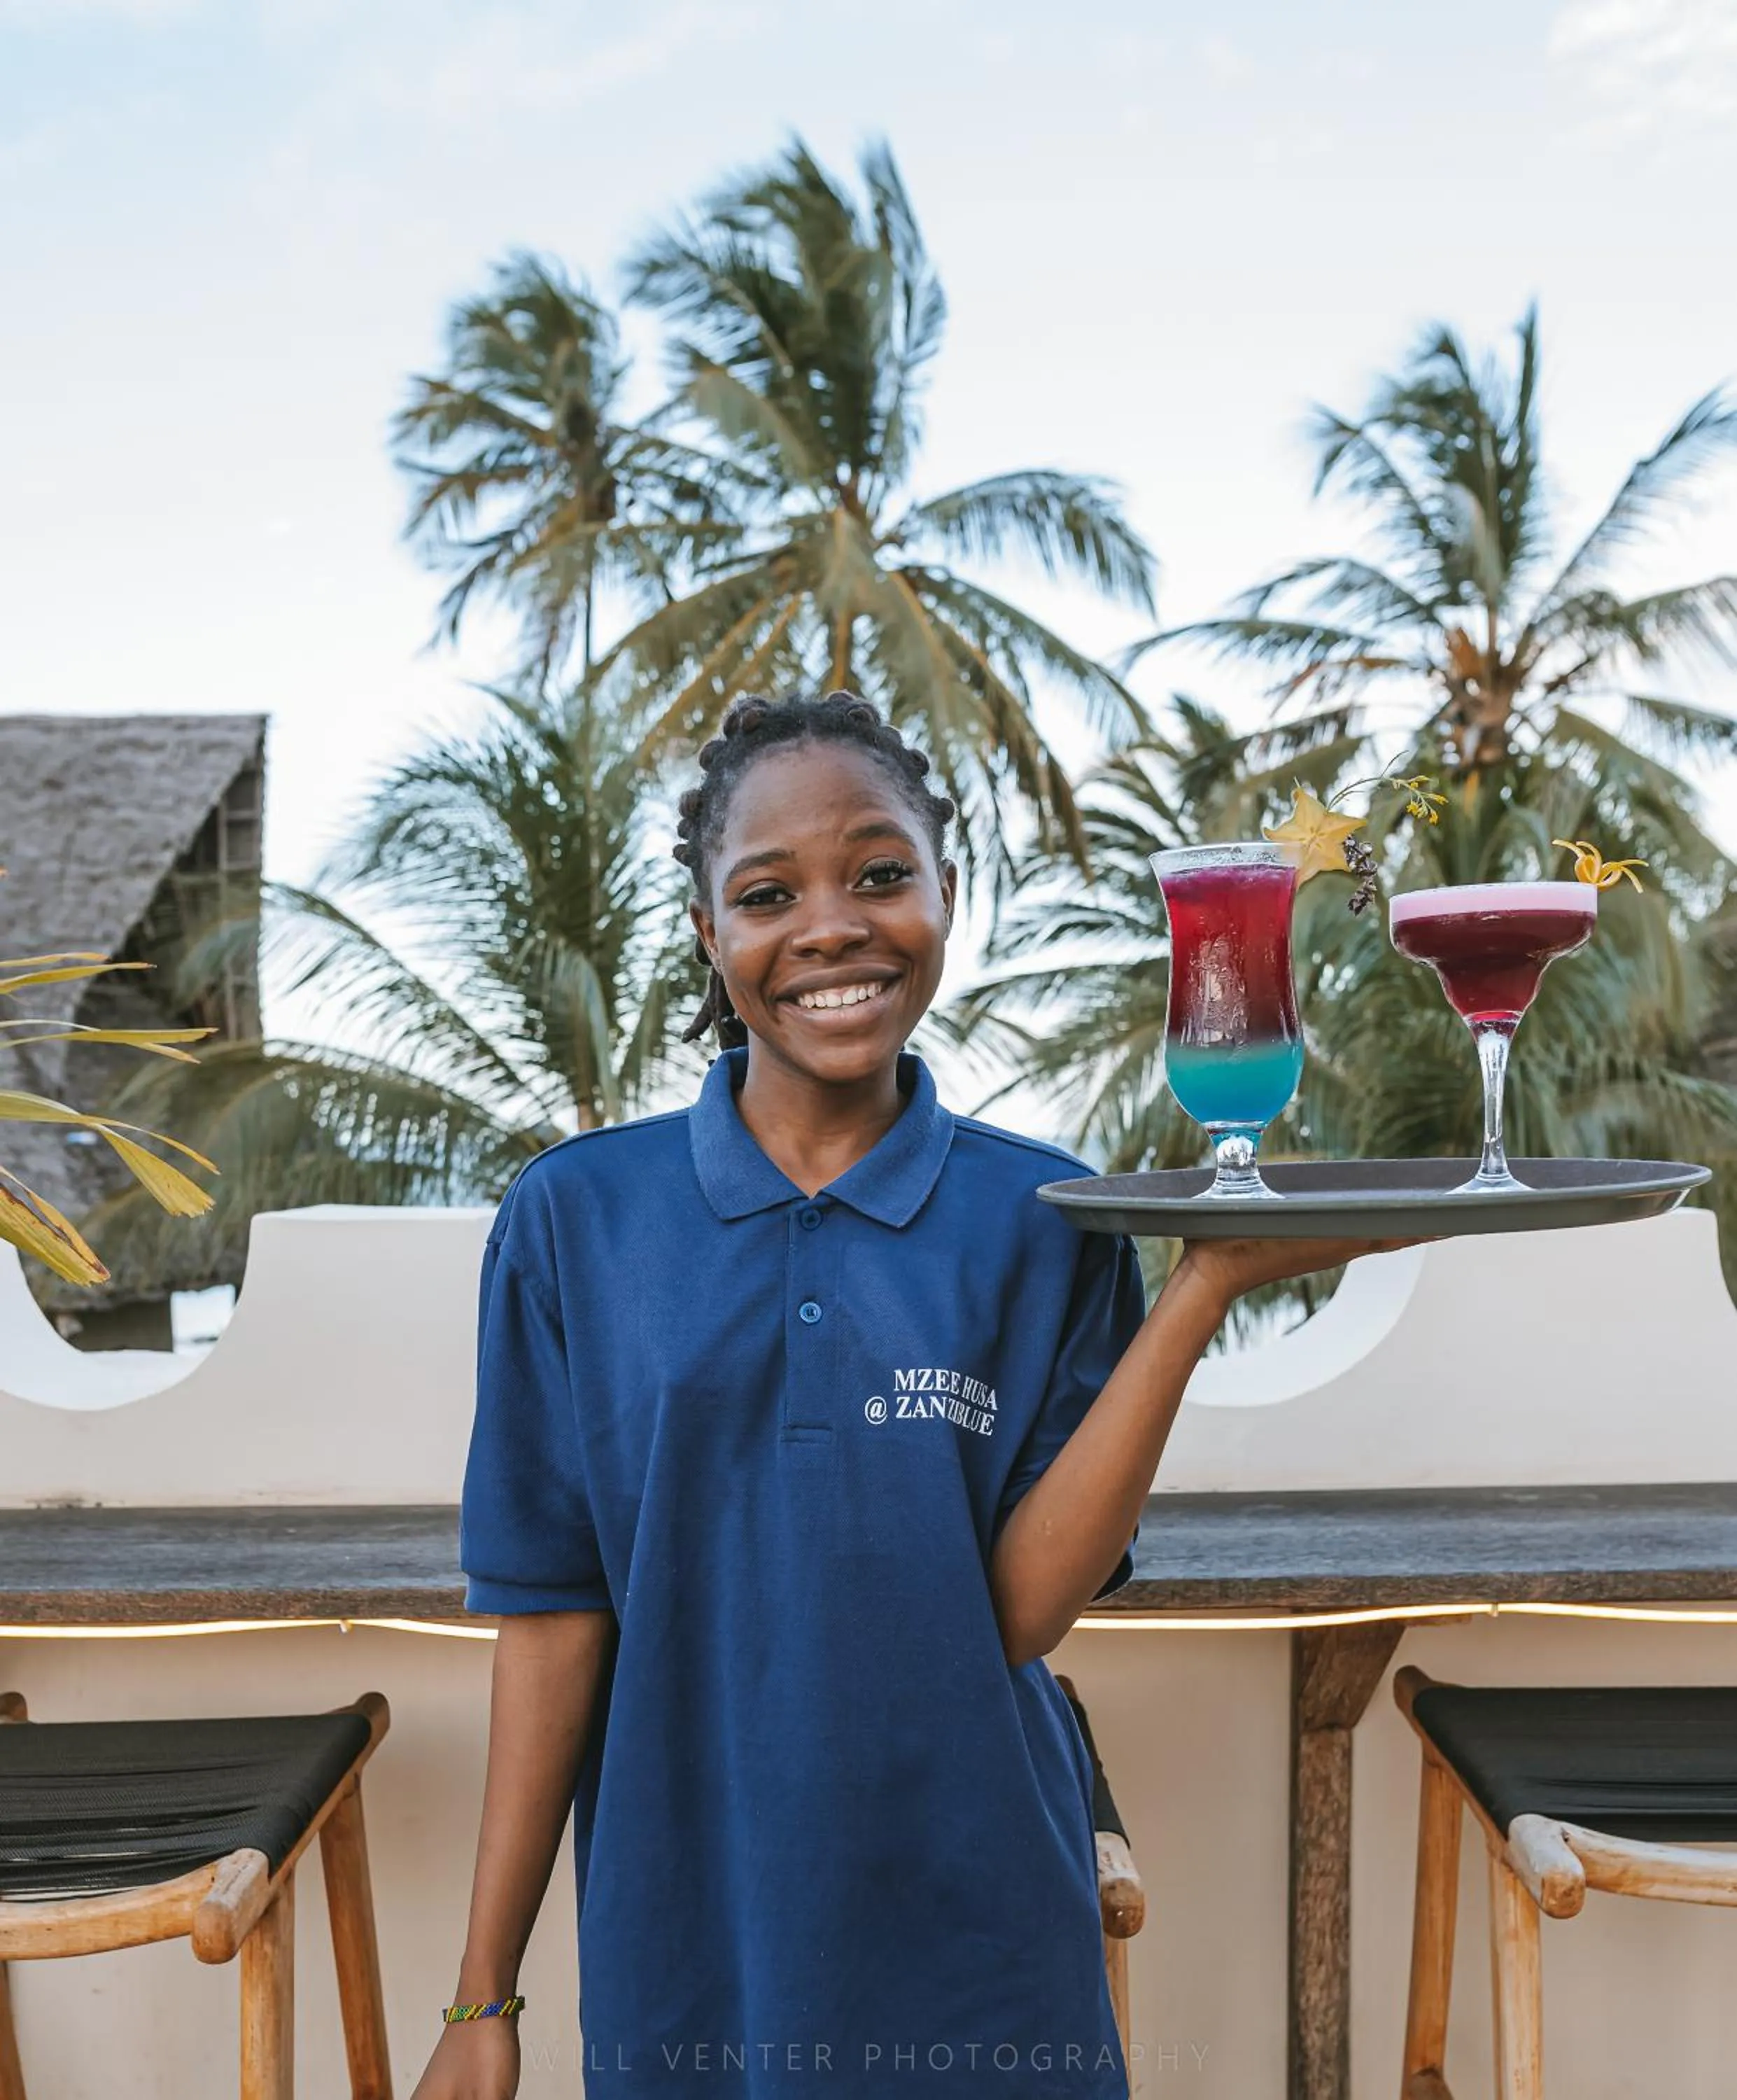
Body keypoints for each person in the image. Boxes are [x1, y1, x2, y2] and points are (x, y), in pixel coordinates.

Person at [411, 690, 1413, 2100]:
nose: (831, 926)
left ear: (950, 896)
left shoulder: (1044, 1212)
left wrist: (1194, 1295)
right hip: (694, 1944)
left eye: (882, 875)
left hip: (982, 1926)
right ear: (708, 933)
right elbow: (552, 1625)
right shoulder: (575, 1221)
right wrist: (480, 1996)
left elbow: (1015, 1610)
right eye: (767, 894)